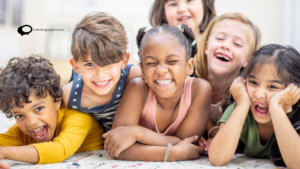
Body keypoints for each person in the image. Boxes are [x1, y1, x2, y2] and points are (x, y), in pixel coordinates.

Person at [103, 24, 212, 161]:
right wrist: (172, 154)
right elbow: (117, 146)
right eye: (151, 63)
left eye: (171, 61)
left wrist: (138, 133)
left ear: (189, 66)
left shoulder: (200, 90)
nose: (161, 70)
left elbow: (187, 143)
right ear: (142, 69)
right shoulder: (137, 89)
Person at [0, 56, 104, 169]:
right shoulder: (21, 131)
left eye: (38, 109)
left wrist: (4, 152)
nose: (31, 123)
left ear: (57, 101)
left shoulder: (79, 118)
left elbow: (58, 150)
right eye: (19, 115)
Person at [209, 44, 300, 168]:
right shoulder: (240, 107)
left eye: (272, 87)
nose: (259, 94)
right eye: (253, 82)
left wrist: (276, 108)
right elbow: (217, 158)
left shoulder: (297, 114)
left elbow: (297, 163)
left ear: (294, 90)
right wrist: (242, 105)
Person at [62, 12, 142, 131]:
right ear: (76, 66)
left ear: (124, 60)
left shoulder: (134, 77)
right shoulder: (69, 95)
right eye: (90, 64)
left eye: (108, 63)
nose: (100, 74)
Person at [195, 13, 261, 151]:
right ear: (206, 47)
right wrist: (211, 132)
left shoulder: (246, 93)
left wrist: (217, 137)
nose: (225, 45)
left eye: (237, 44)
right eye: (220, 38)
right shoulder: (189, 77)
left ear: (248, 60)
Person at [149, 0, 215, 44]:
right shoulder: (158, 48)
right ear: (163, 14)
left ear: (204, 5)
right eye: (173, 4)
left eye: (189, 0)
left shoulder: (215, 44)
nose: (182, 9)